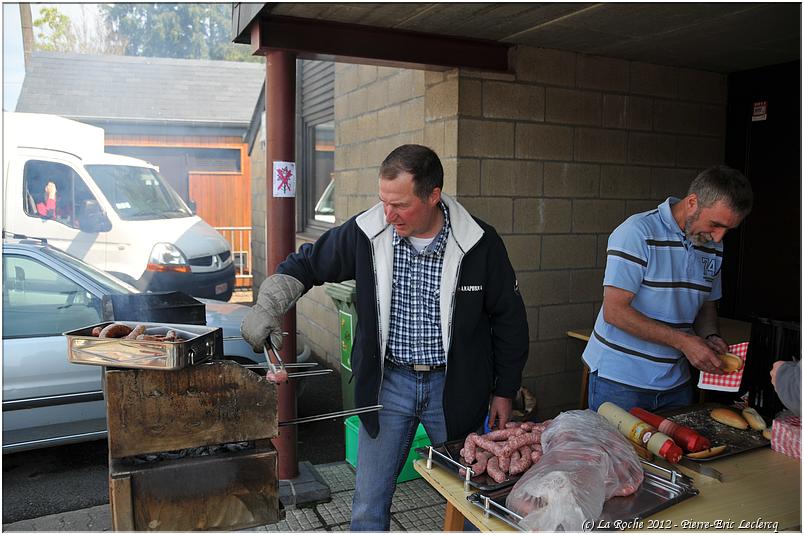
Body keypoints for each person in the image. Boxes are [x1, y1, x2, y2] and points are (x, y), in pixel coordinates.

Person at [241, 144, 529, 531]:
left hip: (455, 387)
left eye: (401, 205)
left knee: (474, 496)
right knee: (368, 504)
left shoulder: (479, 243)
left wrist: (504, 389)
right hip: (388, 385)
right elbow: (307, 263)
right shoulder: (369, 230)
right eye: (383, 201)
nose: (389, 214)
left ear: (433, 195)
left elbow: (509, 320)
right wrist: (267, 304)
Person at [582, 165, 753, 412]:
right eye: (715, 224)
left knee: (677, 451)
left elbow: (706, 306)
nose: (719, 237)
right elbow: (615, 311)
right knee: (620, 452)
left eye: (728, 229)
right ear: (692, 202)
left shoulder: (713, 246)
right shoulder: (637, 232)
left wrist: (709, 337)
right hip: (620, 380)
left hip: (676, 382)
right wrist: (684, 342)